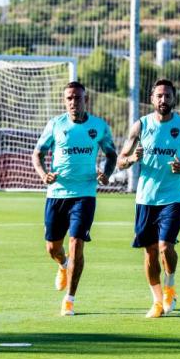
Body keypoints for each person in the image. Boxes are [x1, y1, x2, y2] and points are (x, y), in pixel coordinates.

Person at [117, 79, 180, 318]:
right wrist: (133, 159)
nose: (164, 100)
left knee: (165, 247)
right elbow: (121, 160)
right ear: (152, 99)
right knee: (150, 252)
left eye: (168, 96)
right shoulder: (140, 126)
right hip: (146, 198)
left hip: (173, 197)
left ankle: (170, 285)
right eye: (159, 96)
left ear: (174, 99)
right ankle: (156, 301)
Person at [32, 81, 117, 316]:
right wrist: (43, 174)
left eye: (77, 98)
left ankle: (69, 299)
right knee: (52, 248)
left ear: (85, 100)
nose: (73, 102)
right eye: (69, 98)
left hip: (85, 194)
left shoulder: (98, 127)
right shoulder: (56, 125)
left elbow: (111, 154)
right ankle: (62, 265)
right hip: (57, 194)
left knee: (76, 243)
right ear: (64, 100)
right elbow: (37, 153)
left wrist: (106, 174)